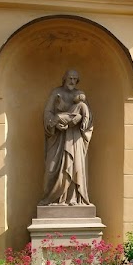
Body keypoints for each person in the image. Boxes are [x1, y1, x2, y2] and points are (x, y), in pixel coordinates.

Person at [40, 69, 93, 206]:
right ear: (64, 79)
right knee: (52, 169)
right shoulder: (56, 93)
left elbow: (88, 117)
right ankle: (53, 199)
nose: (72, 81)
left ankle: (73, 199)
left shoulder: (80, 96)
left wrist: (81, 121)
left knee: (75, 167)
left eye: (75, 79)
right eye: (70, 78)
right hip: (58, 137)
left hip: (75, 139)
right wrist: (55, 124)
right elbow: (47, 113)